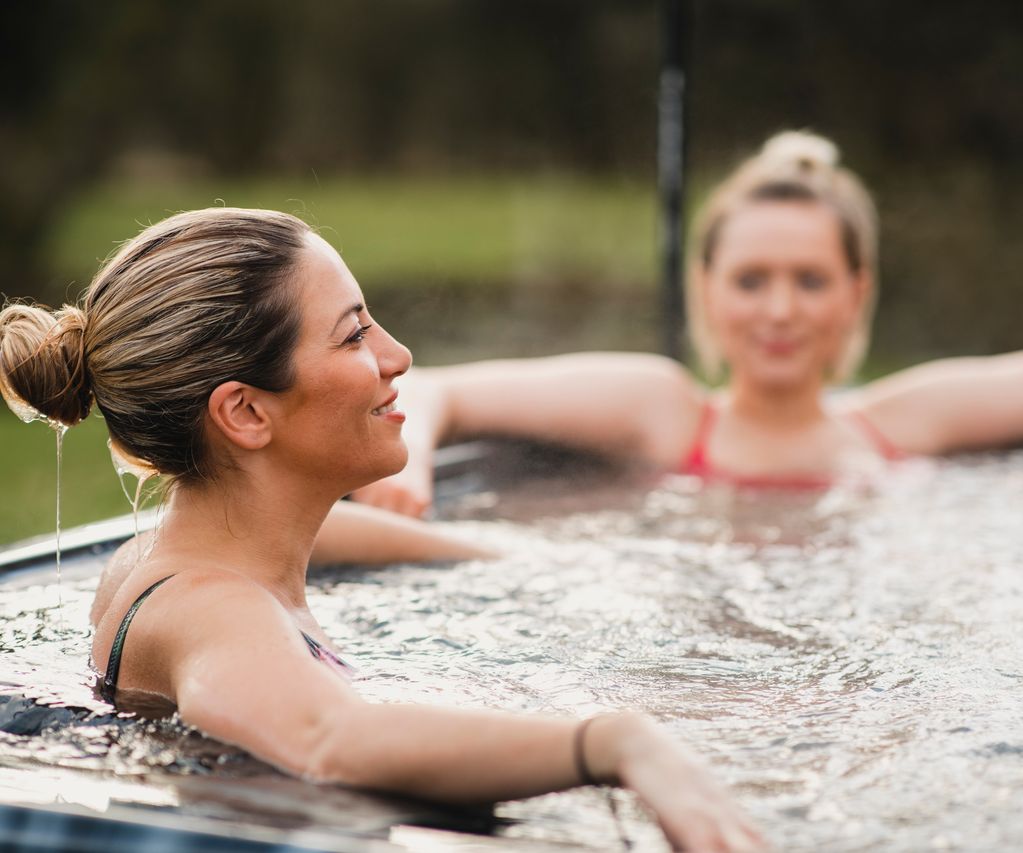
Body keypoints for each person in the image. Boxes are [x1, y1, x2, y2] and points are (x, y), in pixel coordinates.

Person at [0, 208, 764, 853]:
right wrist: (612, 743)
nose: (397, 357)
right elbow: (331, 740)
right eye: (353, 336)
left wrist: (514, 557)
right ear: (245, 412)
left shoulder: (173, 555)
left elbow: (336, 541)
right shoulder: (212, 612)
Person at [352, 131, 1023, 513]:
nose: (780, 310)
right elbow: (435, 387)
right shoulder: (665, 411)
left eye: (810, 280)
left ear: (856, 291)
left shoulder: (899, 422)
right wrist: (404, 470)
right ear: (705, 289)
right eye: (750, 279)